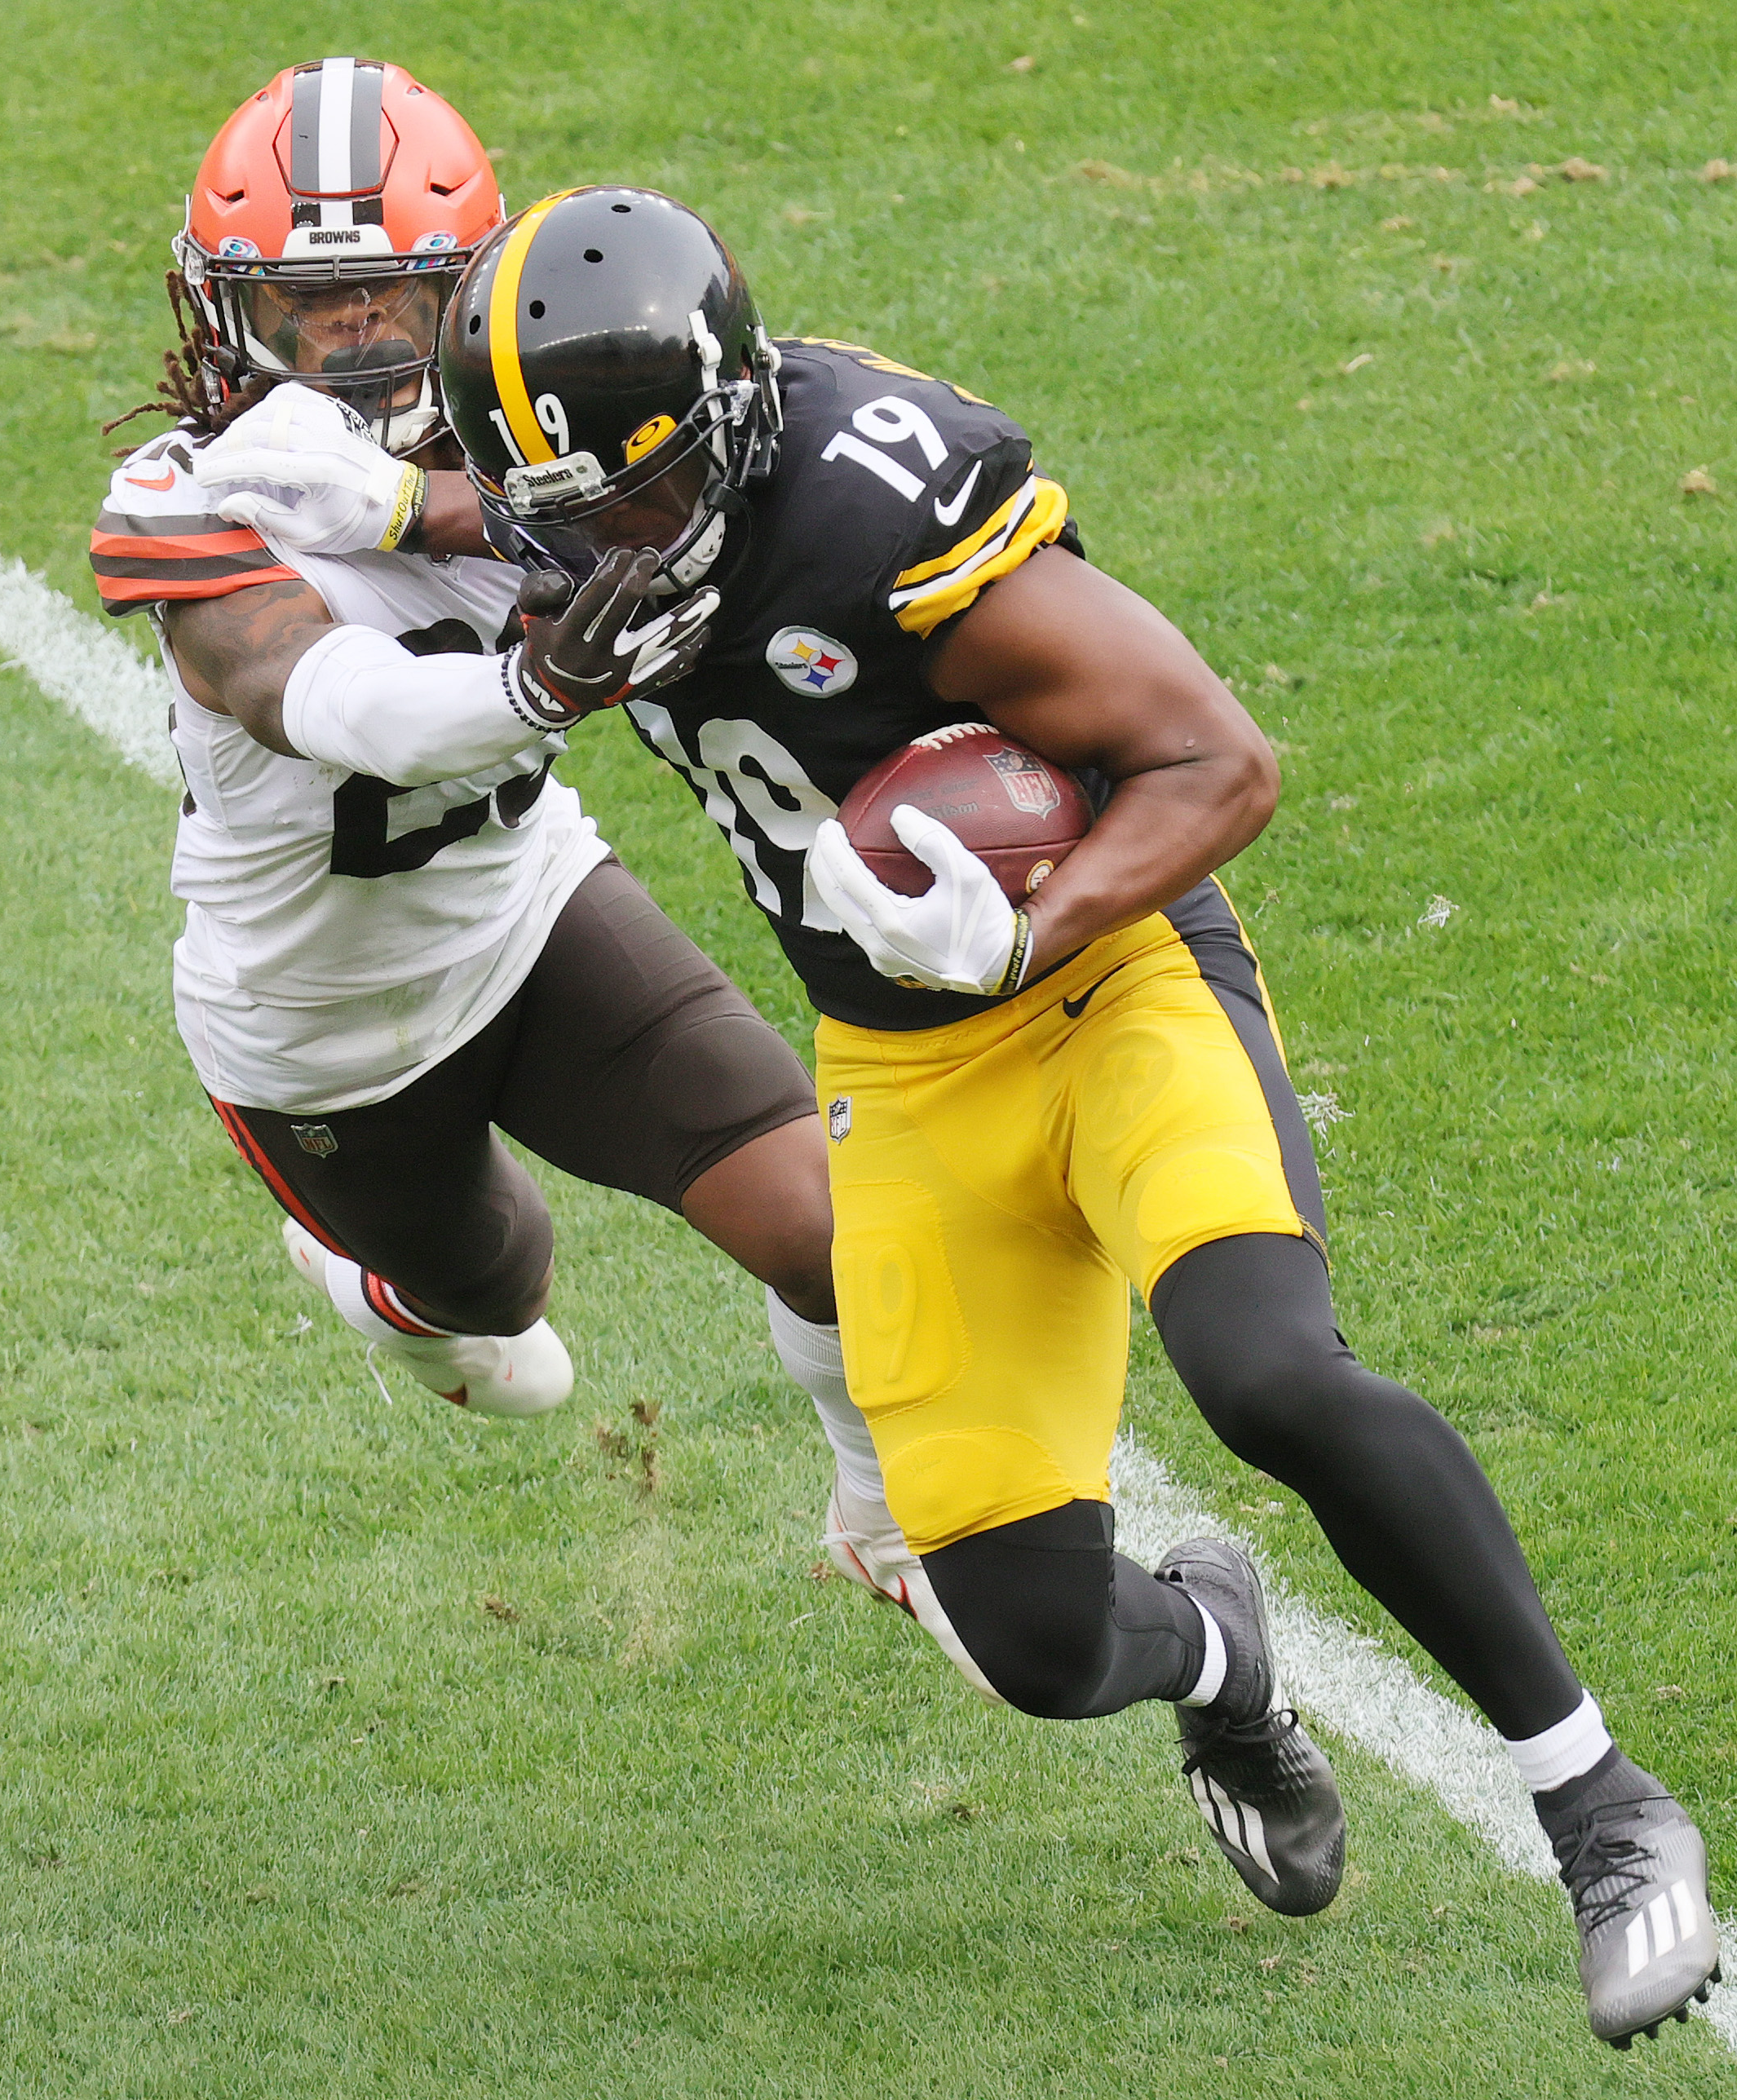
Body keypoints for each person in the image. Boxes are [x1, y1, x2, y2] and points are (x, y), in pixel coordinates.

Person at [195, 182, 1719, 2045]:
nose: (600, 557)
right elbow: (535, 501)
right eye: (565, 519)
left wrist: (1029, 917)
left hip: (1106, 991)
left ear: (727, 437)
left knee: (1262, 1370)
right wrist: (393, 504)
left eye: (639, 508)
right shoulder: (602, 487)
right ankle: (1218, 1652)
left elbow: (1216, 757)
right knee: (1033, 1639)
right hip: (898, 1072)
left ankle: (1602, 1808)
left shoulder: (875, 514)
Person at [82, 65, 905, 1576]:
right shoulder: (189, 490)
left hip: (530, 913)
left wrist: (471, 513)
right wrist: (533, 688)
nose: (354, 341)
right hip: (320, 1021)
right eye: (305, 306)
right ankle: (393, 1289)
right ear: (227, 314)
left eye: (391, 295)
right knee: (503, 1317)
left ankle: (881, 1519)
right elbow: (318, 698)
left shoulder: (545, 439)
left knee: (830, 1229)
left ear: (465, 286)